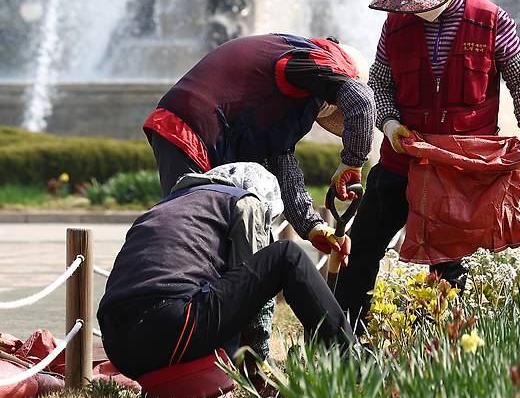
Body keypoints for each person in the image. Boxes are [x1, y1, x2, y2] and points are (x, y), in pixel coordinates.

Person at [335, 0, 520, 332]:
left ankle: (444, 343)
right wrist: (390, 122)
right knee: (364, 244)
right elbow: (379, 82)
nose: (412, 10)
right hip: (404, 159)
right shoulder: (395, 25)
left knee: (450, 259)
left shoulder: (489, 20)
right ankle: (342, 337)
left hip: (461, 166)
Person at [143, 33, 374, 262]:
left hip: (191, 129)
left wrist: (312, 226)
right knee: (193, 241)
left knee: (212, 242)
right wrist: (352, 163)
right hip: (193, 130)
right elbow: (362, 100)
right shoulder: (309, 60)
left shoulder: (294, 89)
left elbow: (281, 161)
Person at [98, 177, 355, 380]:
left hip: (118, 346)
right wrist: (254, 360)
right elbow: (253, 293)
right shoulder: (244, 201)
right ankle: (352, 359)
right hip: (171, 325)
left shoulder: (162, 209)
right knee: (285, 255)